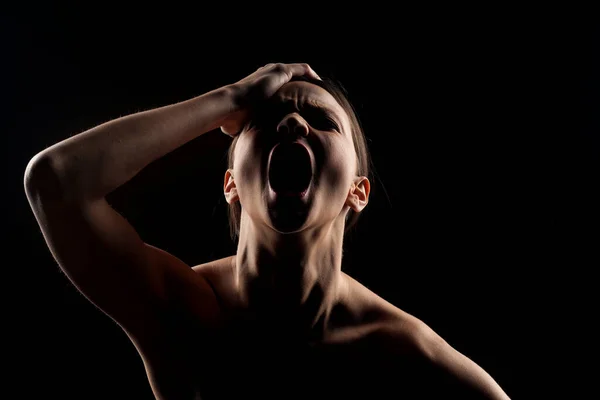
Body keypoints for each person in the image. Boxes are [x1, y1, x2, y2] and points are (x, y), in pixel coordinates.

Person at [24, 63, 511, 399]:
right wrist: (232, 98)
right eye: (268, 119)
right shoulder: (185, 315)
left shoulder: (400, 355)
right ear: (231, 185)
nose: (294, 123)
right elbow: (54, 181)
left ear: (357, 192)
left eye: (322, 121)